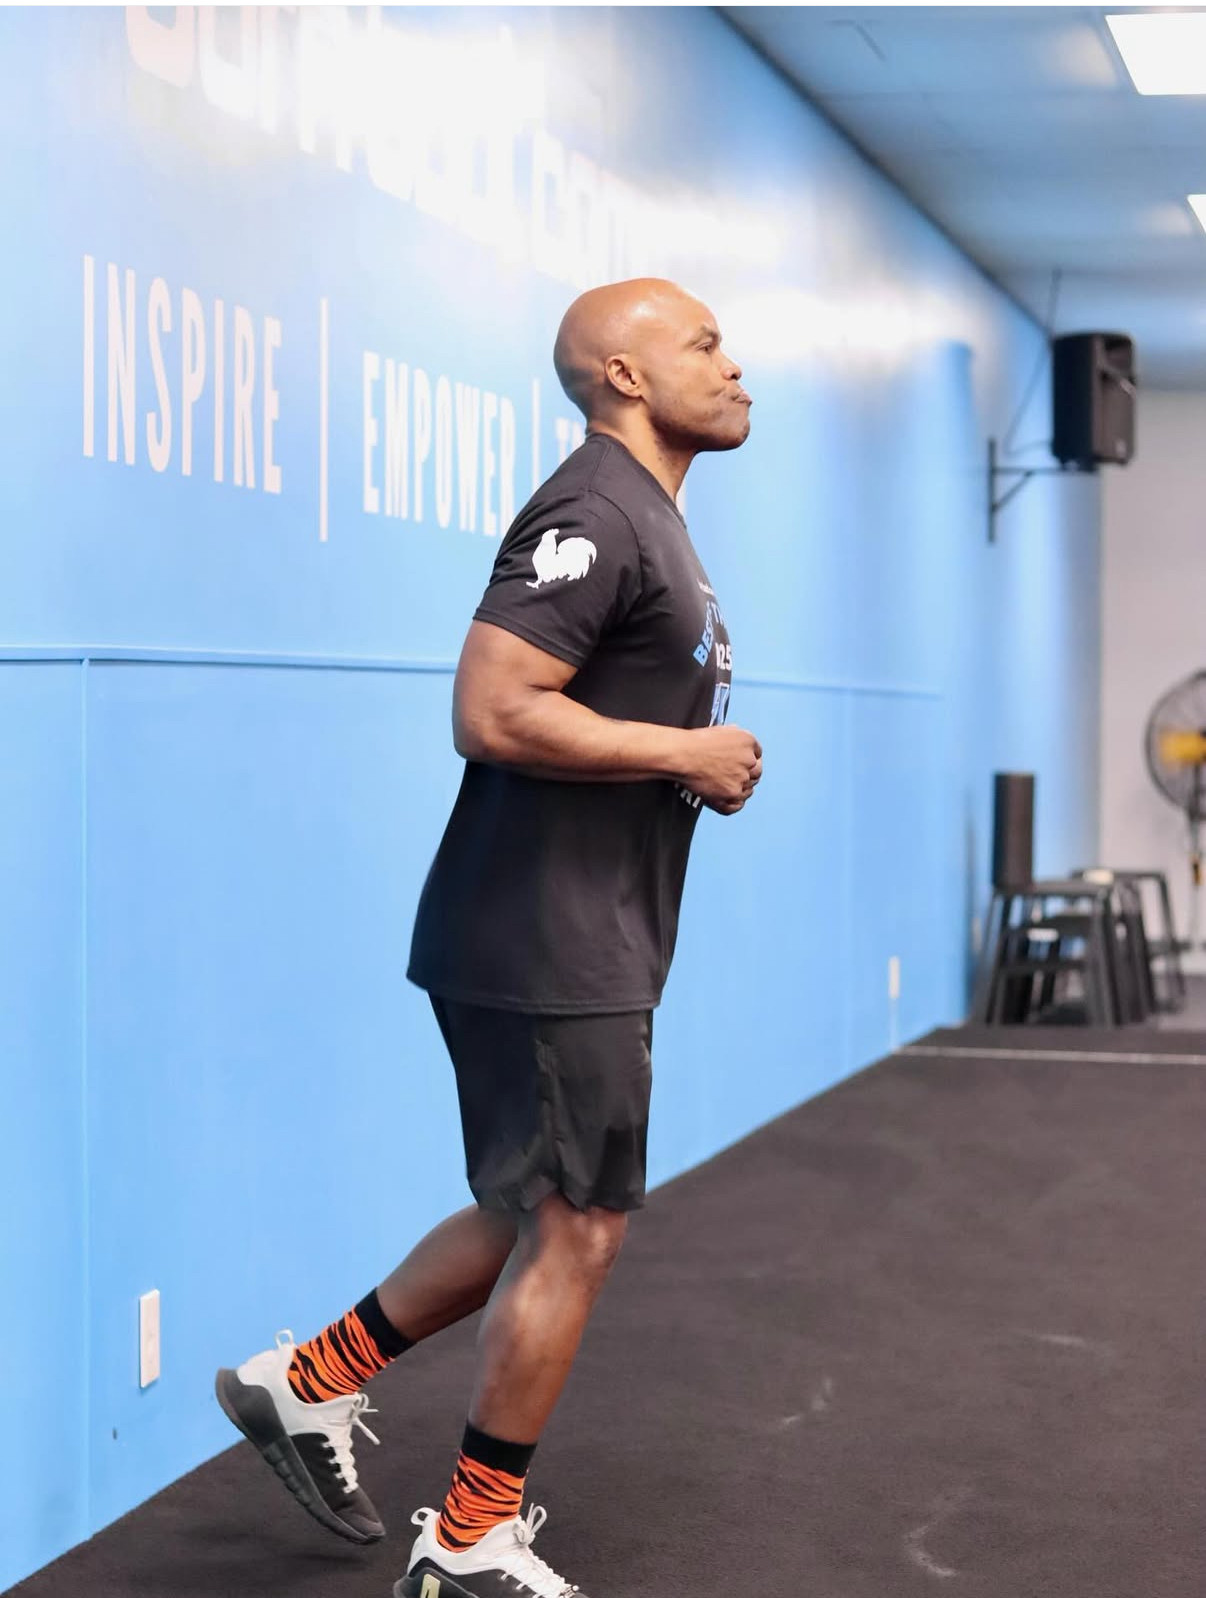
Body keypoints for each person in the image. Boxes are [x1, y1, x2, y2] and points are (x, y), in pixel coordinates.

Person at [215, 277, 762, 1598]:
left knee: (533, 1204)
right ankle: (467, 1539)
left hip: (576, 930)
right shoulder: (596, 510)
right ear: (624, 375)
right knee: (579, 1225)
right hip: (544, 936)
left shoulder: (653, 519)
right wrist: (682, 749)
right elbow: (494, 706)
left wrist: (676, 760)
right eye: (703, 344)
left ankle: (306, 1381)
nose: (734, 365)